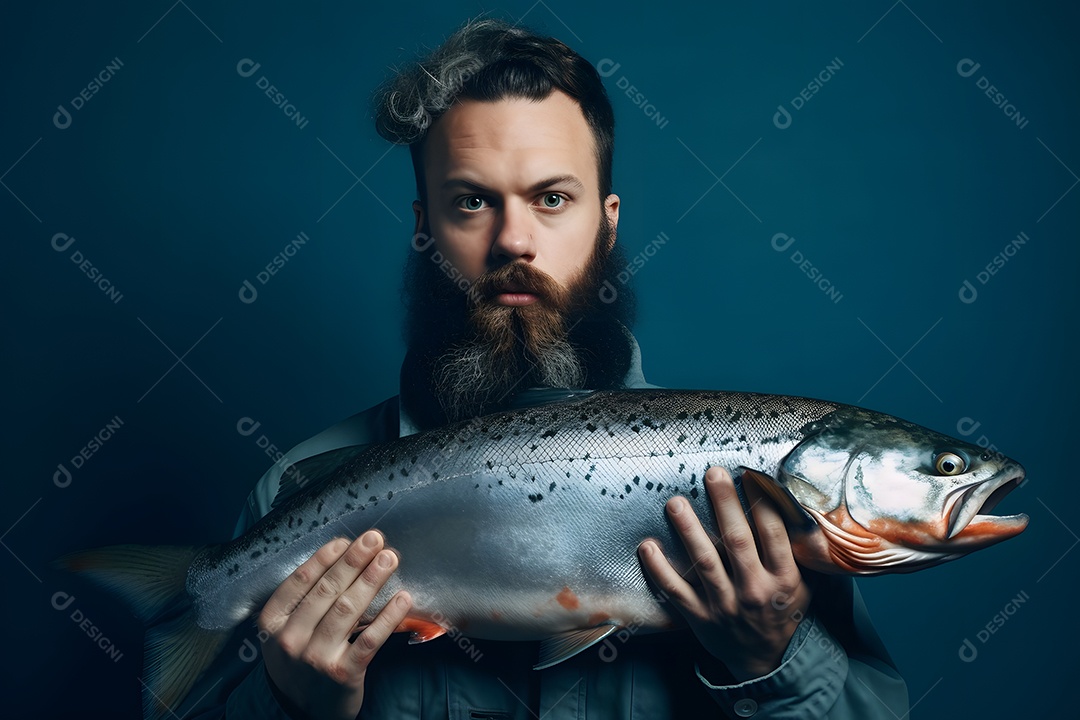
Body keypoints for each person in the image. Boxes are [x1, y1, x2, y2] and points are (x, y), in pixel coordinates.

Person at [184, 17, 908, 719]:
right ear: (422, 225)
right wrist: (288, 705)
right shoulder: (298, 490)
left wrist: (775, 661)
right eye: (472, 201)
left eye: (552, 199)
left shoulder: (775, 503)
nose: (514, 241)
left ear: (608, 217)